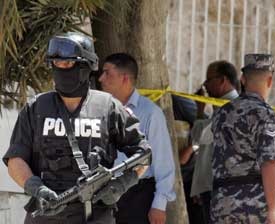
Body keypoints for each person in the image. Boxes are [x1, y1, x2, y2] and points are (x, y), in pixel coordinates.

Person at [2, 32, 151, 224]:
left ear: (85, 66)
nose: (60, 68)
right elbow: (15, 160)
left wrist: (122, 184)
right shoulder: (37, 107)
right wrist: (35, 188)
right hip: (47, 214)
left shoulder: (108, 107)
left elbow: (144, 155)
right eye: (56, 63)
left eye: (67, 63)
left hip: (95, 215)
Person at [98, 53, 176, 224]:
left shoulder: (150, 113)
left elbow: (163, 163)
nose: (101, 78)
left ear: (124, 78)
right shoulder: (99, 110)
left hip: (137, 196)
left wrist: (159, 205)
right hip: (103, 194)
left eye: (107, 73)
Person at [210, 54, 275, 224]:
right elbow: (268, 162)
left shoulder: (222, 113)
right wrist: (272, 211)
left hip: (223, 204)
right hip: (254, 205)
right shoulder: (264, 114)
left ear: (243, 80)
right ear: (270, 81)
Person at [178, 60, 239, 223]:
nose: (205, 85)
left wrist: (199, 109)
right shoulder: (224, 106)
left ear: (222, 80)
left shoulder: (231, 107)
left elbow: (198, 136)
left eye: (208, 80)